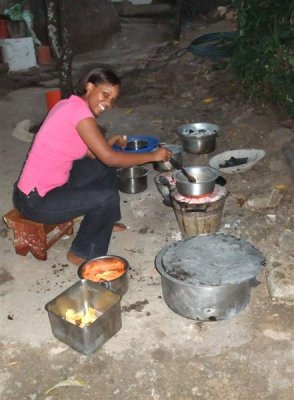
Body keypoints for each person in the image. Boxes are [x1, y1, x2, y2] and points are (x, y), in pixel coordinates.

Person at [13, 66, 172, 266]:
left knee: (101, 166)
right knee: (104, 194)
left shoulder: (70, 105)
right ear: (89, 87)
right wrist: (153, 156)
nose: (108, 103)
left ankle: (106, 221)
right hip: (34, 201)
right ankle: (82, 252)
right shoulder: (79, 113)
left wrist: (110, 142)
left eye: (112, 99)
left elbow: (91, 153)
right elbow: (110, 158)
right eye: (105, 94)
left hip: (52, 186)